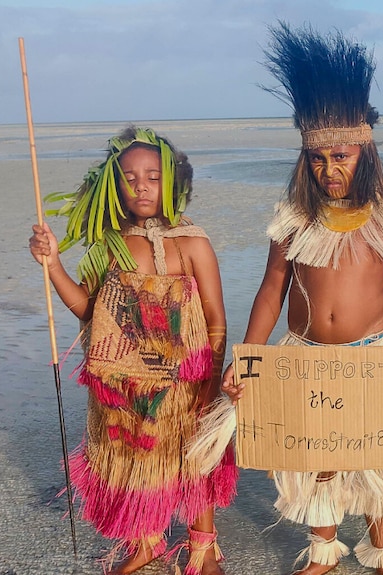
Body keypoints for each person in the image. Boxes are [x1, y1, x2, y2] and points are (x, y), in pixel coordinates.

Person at [220, 23, 383, 575]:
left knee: (372, 456)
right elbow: (272, 288)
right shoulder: (294, 218)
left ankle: (382, 554)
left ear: (364, 154)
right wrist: (249, 357)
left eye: (341, 157)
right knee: (312, 455)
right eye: (319, 160)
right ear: (305, 160)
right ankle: (323, 551)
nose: (330, 170)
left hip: (373, 353)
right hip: (303, 354)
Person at [28, 126, 238, 575]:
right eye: (129, 177)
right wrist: (53, 266)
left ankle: (202, 548)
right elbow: (88, 309)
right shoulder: (110, 245)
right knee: (134, 460)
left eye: (152, 176)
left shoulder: (192, 241)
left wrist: (211, 383)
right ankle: (145, 541)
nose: (141, 186)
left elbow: (215, 316)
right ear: (114, 185)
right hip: (124, 387)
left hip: (185, 383)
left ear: (172, 180)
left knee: (194, 458)